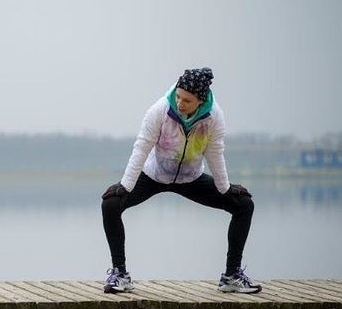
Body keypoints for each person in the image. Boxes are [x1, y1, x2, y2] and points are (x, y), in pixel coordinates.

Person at [101, 67, 260, 294]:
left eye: (187, 100)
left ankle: (232, 276)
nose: (180, 103)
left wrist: (225, 188)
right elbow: (142, 147)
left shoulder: (214, 116)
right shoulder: (160, 110)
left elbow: (215, 152)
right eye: (178, 96)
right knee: (110, 204)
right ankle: (120, 275)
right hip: (154, 176)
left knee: (244, 205)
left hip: (191, 179)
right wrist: (125, 186)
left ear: (200, 100)